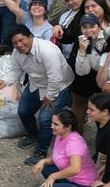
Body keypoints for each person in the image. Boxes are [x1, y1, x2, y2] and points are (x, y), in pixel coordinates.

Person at [31, 108, 99, 187]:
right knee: (46, 168)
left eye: (56, 124)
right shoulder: (60, 135)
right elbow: (59, 158)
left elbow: (75, 168)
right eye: (52, 123)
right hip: (73, 180)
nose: (52, 126)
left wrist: (53, 177)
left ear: (68, 126)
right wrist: (43, 161)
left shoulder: (74, 143)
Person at [11, 25, 68, 164]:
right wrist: (4, 81)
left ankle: (41, 151)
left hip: (58, 86)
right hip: (36, 82)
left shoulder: (47, 51)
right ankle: (33, 135)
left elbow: (56, 77)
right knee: (23, 111)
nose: (19, 45)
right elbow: (15, 70)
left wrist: (49, 97)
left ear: (30, 36)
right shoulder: (17, 51)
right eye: (15, 42)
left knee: (45, 119)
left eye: (21, 40)